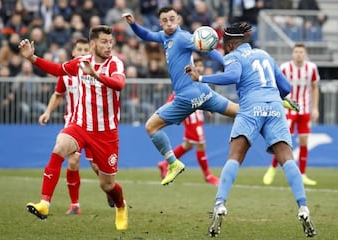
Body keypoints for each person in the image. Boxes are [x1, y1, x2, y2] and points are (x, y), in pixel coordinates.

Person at [186, 22, 316, 238]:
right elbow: (286, 88)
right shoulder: (263, 55)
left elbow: (233, 76)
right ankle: (303, 207)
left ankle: (220, 204)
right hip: (274, 107)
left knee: (234, 157)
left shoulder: (235, 58)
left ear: (229, 46)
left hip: (250, 108)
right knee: (287, 158)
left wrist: (201, 78)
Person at [18, 25, 128, 230]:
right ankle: (44, 203)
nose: (109, 46)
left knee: (107, 185)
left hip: (106, 133)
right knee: (60, 146)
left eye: (111, 42)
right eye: (104, 41)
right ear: (93, 44)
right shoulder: (80, 63)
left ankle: (121, 206)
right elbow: (59, 70)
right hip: (79, 125)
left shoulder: (115, 64)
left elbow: (119, 84)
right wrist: (33, 59)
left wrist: (95, 75)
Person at [123, 6, 239, 186]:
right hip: (203, 91)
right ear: (160, 23)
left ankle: (172, 163)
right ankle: (273, 107)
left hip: (186, 97)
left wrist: (226, 62)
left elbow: (207, 48)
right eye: (165, 20)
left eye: (172, 18)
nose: (169, 23)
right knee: (239, 112)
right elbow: (147, 36)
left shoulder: (183, 37)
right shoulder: (164, 36)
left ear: (178, 20)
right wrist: (133, 25)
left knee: (151, 127)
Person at [38, 37, 102, 215]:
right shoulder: (66, 74)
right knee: (73, 161)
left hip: (94, 125)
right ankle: (75, 205)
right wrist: (48, 112)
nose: (82, 53)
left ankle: (109, 188)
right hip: (73, 124)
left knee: (98, 167)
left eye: (85, 50)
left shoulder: (94, 71)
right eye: (78, 50)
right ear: (73, 52)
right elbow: (58, 95)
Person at [263, 43, 320, 186]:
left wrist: (315, 108)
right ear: (292, 54)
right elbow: (276, 87)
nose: (299, 54)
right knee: (283, 140)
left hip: (305, 109)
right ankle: (272, 168)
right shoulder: (285, 68)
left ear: (305, 53)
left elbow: (314, 88)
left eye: (301, 51)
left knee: (304, 141)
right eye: (296, 52)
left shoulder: (311, 68)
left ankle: (303, 174)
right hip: (288, 109)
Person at [157, 57, 219, 186]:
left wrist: (210, 107)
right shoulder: (185, 82)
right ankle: (207, 175)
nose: (201, 68)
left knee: (188, 145)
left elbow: (206, 96)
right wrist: (169, 109)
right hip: (192, 117)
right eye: (198, 65)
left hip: (198, 114)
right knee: (201, 144)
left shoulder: (200, 81)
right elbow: (173, 97)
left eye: (202, 65)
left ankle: (164, 164)